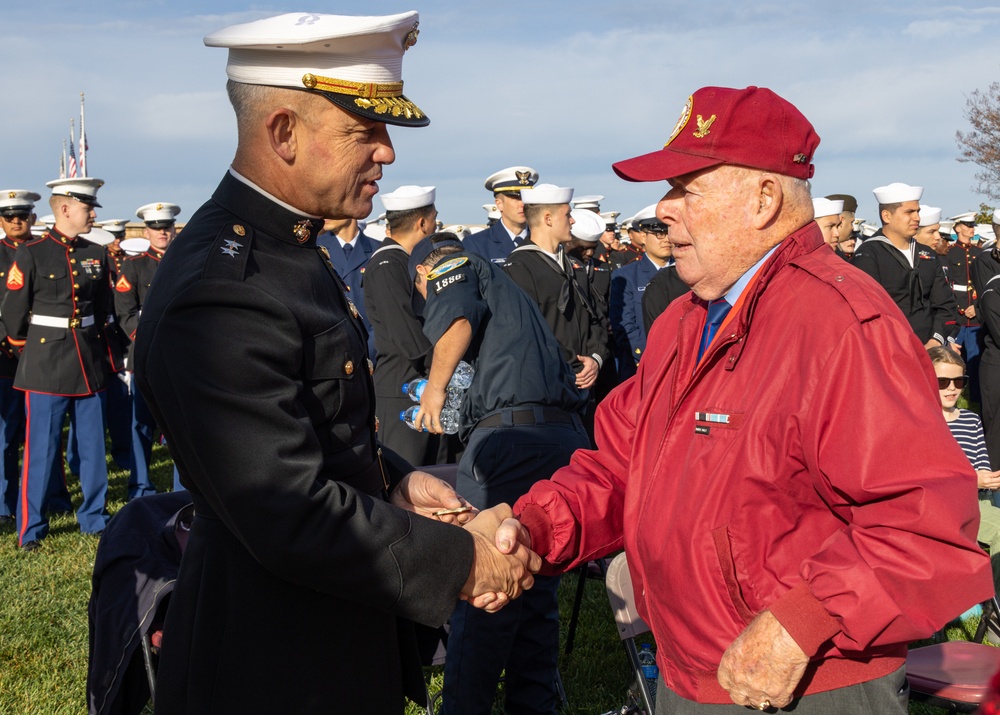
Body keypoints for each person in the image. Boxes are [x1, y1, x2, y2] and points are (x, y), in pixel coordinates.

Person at [491, 85, 992, 713]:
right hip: (691, 673)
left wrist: (799, 624)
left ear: (763, 199)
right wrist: (533, 527)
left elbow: (925, 525)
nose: (664, 210)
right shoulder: (684, 319)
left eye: (686, 189)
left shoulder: (839, 322)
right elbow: (622, 464)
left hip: (802, 682)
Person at [132, 13, 539, 713]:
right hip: (268, 665)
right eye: (364, 130)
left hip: (332, 631)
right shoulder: (221, 287)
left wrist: (397, 483)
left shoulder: (287, 249)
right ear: (283, 132)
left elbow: (314, 428)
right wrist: (466, 561)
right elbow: (285, 505)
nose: (386, 152)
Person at [409, 232, 590, 715]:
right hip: (555, 440)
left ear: (425, 274)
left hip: (510, 446)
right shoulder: (509, 292)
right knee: (533, 588)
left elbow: (456, 321)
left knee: (484, 586)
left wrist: (435, 390)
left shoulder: (451, 264)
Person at [2, 177, 113, 551]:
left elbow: (102, 311)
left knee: (93, 449)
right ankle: (31, 528)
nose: (93, 213)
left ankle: (94, 517)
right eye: (87, 207)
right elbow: (14, 318)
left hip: (88, 360)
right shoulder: (31, 253)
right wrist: (27, 353)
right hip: (46, 365)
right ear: (65, 208)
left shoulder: (96, 254)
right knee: (41, 451)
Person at [503, 184, 610, 404]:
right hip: (547, 389)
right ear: (548, 219)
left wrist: (595, 359)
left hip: (583, 387)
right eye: (568, 215)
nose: (572, 221)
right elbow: (529, 332)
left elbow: (597, 318)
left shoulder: (574, 266)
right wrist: (576, 366)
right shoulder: (519, 268)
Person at [363, 184, 441, 466]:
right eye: (434, 219)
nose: (435, 225)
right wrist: (446, 364)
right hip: (403, 391)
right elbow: (408, 336)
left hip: (422, 386)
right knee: (409, 482)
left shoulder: (404, 263)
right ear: (422, 223)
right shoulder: (388, 264)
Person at [115, 202, 182, 497]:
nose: (162, 233)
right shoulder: (134, 265)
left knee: (181, 425)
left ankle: (184, 486)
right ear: (146, 232)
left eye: (166, 227)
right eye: (156, 228)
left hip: (181, 354)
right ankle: (140, 485)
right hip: (144, 352)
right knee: (141, 423)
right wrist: (144, 340)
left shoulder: (187, 260)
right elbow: (125, 312)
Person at [928, 345, 1000, 597]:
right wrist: (971, 479)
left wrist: (989, 479)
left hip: (978, 500)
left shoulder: (970, 420)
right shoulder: (923, 421)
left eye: (959, 381)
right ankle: (993, 610)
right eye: (943, 381)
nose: (952, 388)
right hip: (942, 507)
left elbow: (982, 463)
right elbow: (927, 477)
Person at [852, 183, 959, 348]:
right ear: (887, 216)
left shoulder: (927, 254)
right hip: (890, 351)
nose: (917, 218)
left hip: (931, 349)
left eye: (917, 211)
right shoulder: (868, 254)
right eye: (909, 212)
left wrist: (936, 340)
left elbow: (945, 305)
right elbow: (868, 313)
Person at [0, 190, 40, 522]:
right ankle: (5, 502)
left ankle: (50, 495)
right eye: (10, 217)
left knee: (41, 434)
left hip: (45, 355)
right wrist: (14, 343)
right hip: (6, 358)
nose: (17, 222)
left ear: (33, 219)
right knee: (6, 435)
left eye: (22, 216)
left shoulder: (44, 252)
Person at [610, 205, 671, 379]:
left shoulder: (687, 272)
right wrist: (653, 355)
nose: (666, 239)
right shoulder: (627, 276)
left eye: (669, 233)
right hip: (642, 364)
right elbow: (624, 325)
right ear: (643, 236)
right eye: (659, 234)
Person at [317, 216, 379, 360]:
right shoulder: (314, 249)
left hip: (373, 354)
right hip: (330, 356)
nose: (326, 214)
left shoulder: (378, 250)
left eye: (333, 208)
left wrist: (369, 353)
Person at [462, 165, 538, 263]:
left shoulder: (543, 240)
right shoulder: (477, 244)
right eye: (516, 198)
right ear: (499, 204)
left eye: (526, 198)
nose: (522, 204)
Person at [948, 211, 984, 400]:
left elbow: (983, 284)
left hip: (975, 316)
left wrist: (976, 307)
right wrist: (960, 307)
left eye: (972, 226)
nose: (972, 229)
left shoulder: (979, 253)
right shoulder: (950, 253)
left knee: (975, 360)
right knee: (952, 359)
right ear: (958, 227)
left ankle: (975, 398)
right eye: (968, 226)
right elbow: (948, 285)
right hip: (957, 315)